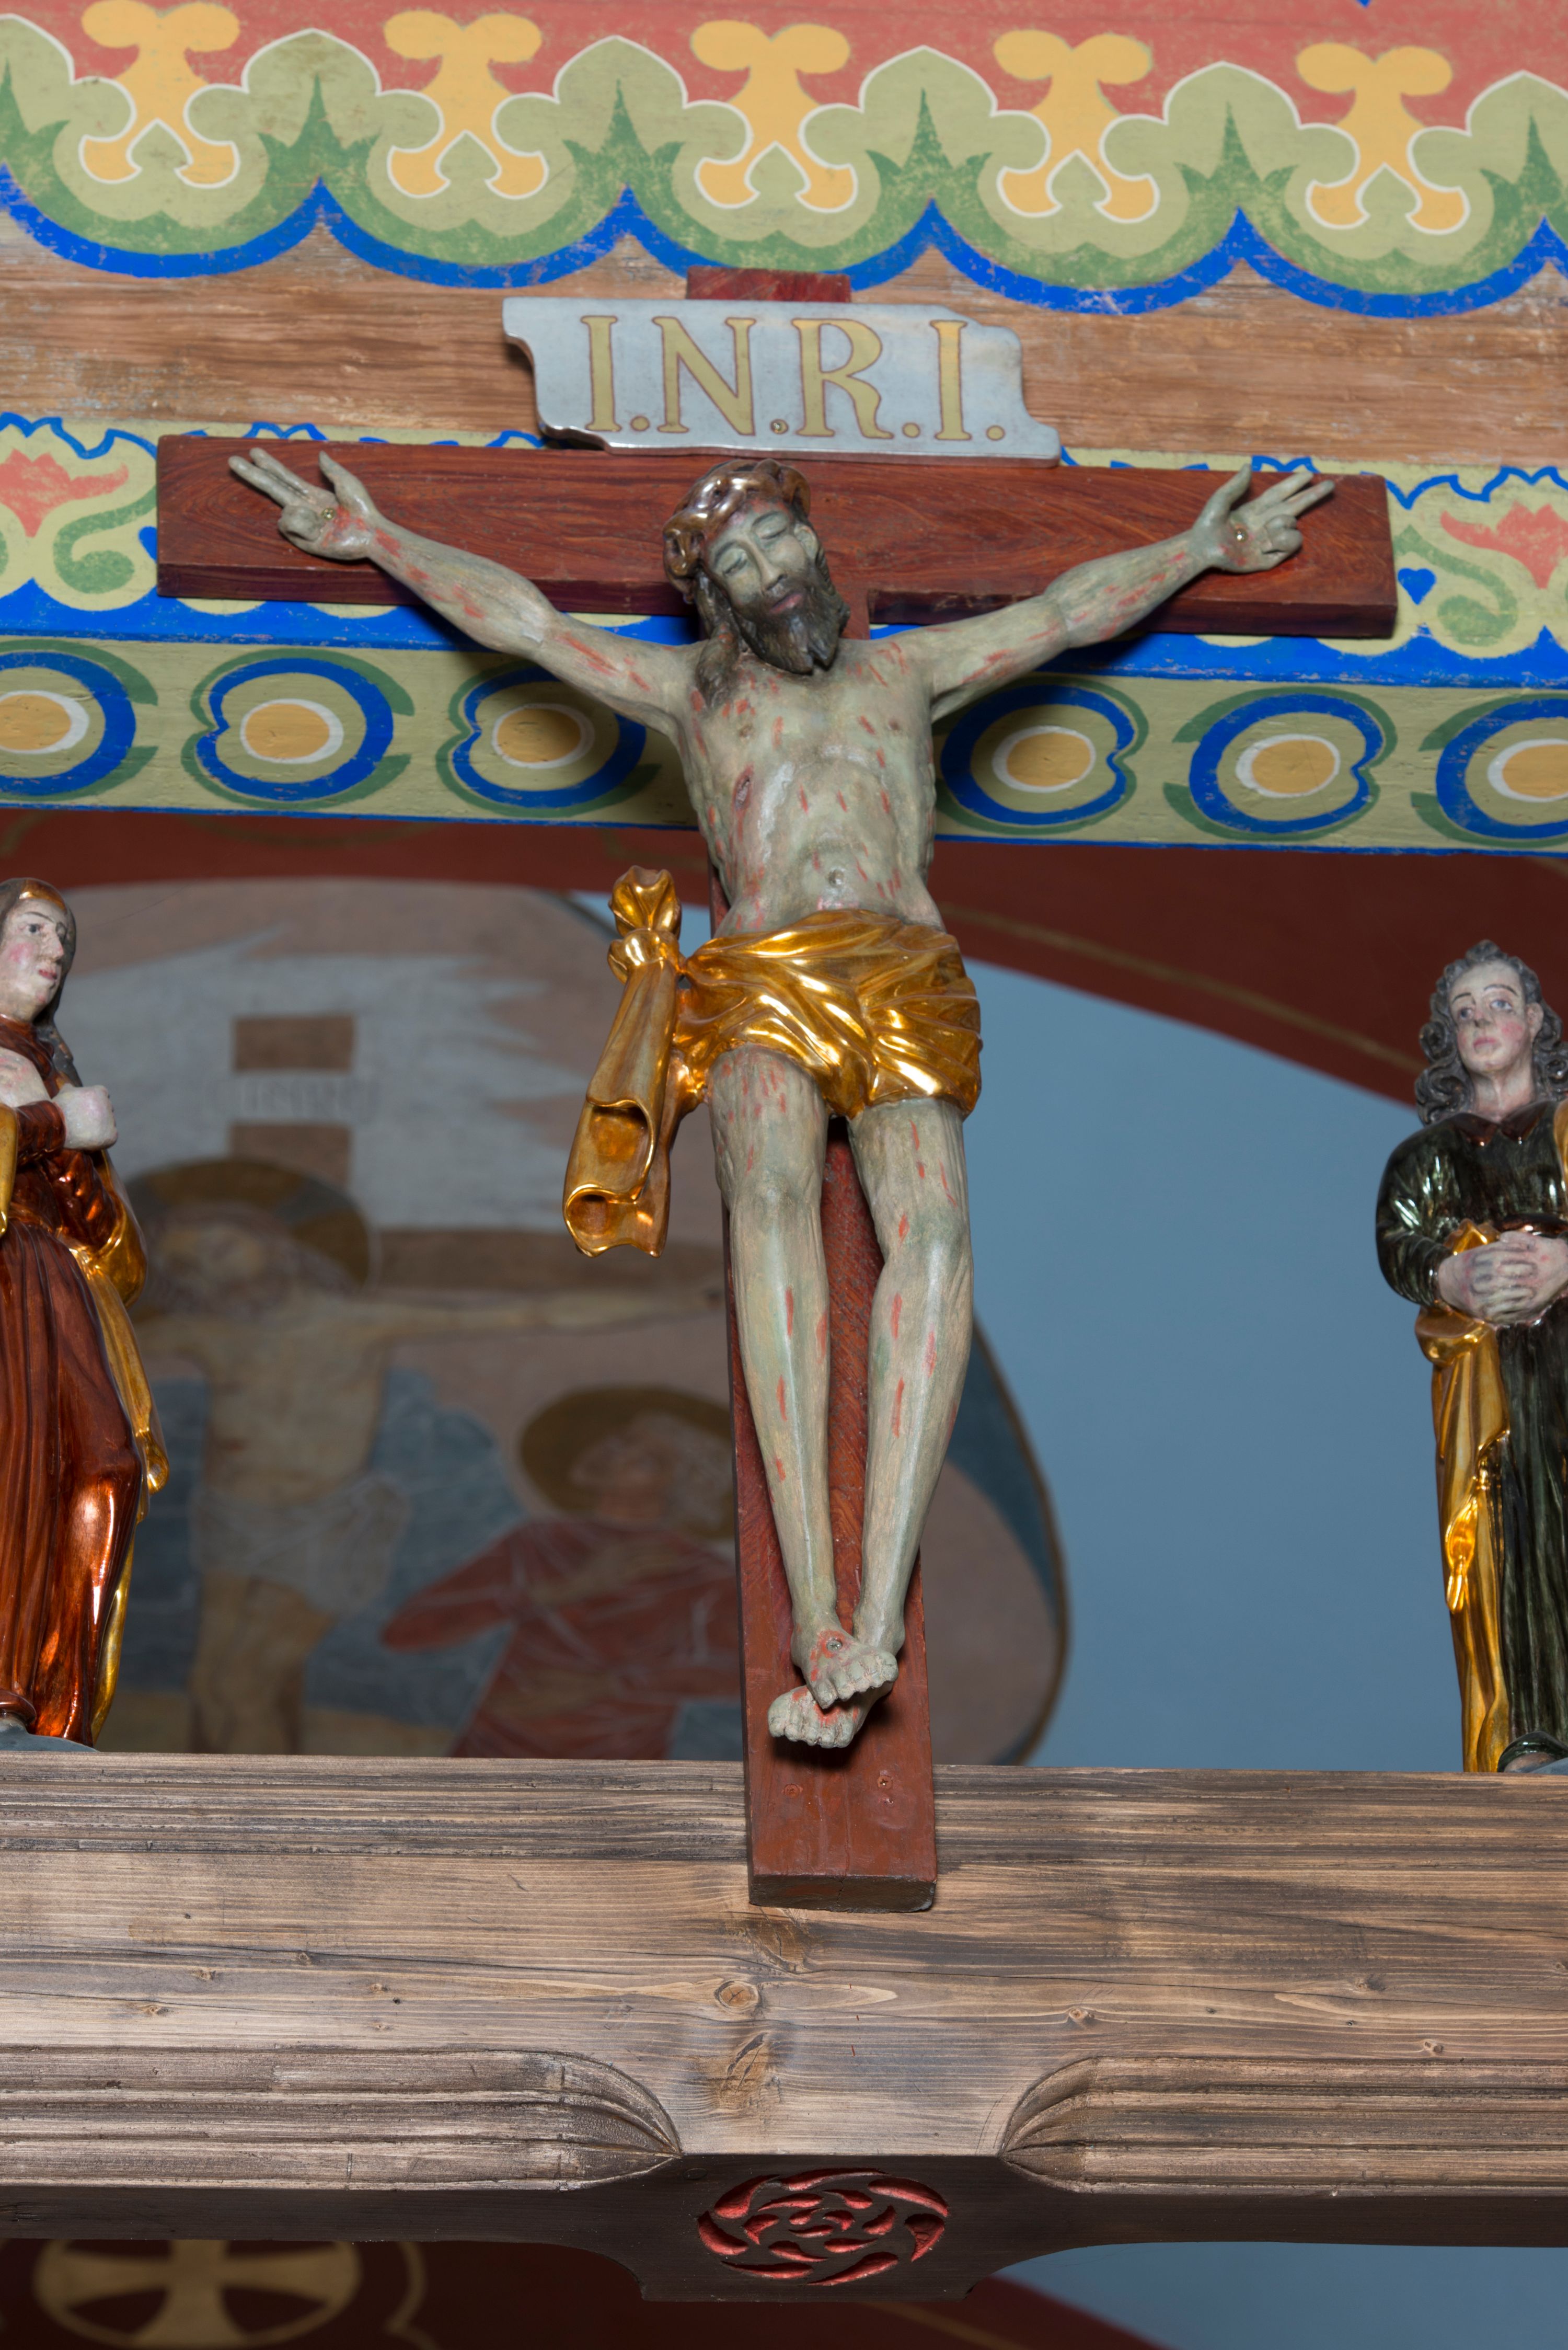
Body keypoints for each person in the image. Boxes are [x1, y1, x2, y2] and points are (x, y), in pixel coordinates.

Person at [233, 439, 1328, 1747]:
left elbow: (1059, 616)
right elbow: (527, 624)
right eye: (740, 561)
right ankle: (817, 1612)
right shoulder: (696, 698)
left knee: (935, 1233)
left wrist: (1199, 552)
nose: (771, 569)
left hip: (902, 965)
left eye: (780, 540)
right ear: (718, 597)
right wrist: (381, 542)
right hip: (761, 970)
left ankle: (879, 1609)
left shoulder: (900, 673)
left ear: (815, 545)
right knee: (767, 1212)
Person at [138, 1198, 717, 1752]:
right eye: (186, 1268)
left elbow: (532, 1312)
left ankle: (266, 1816)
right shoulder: (207, 1335)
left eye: (221, 1248)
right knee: (209, 1684)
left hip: (322, 1522)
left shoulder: (354, 1323)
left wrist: (682, 1301)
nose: (209, 1272)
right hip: (231, 1517)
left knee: (243, 1686)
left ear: (275, 1244)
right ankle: (226, 1800)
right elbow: (112, 1341)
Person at [1377, 942, 1568, 1773]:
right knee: (1500, 1536)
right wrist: (1453, 1274)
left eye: (1498, 1004)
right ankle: (1522, 1735)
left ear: (1534, 1021)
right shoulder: (1429, 1156)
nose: (1481, 1021)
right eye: (1464, 1013)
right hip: (1487, 1381)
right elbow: (1399, 1244)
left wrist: (1562, 1262)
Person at [0, 877, 165, 1746]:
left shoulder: (53, 1068)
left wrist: (60, 1128)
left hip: (56, 1289)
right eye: (34, 928)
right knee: (10, 1468)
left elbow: (108, 1239)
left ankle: (59, 1712)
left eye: (64, 938)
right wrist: (52, 1124)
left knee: (103, 1466)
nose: (55, 951)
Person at [381, 1387, 738, 1759]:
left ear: (681, 1487)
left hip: (618, 1766)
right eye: (622, 1439)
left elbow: (739, 1673)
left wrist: (609, 1685)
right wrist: (567, 1589)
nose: (615, 1453)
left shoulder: (700, 1573)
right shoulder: (538, 1542)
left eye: (647, 1460)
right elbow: (407, 1630)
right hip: (493, 1753)